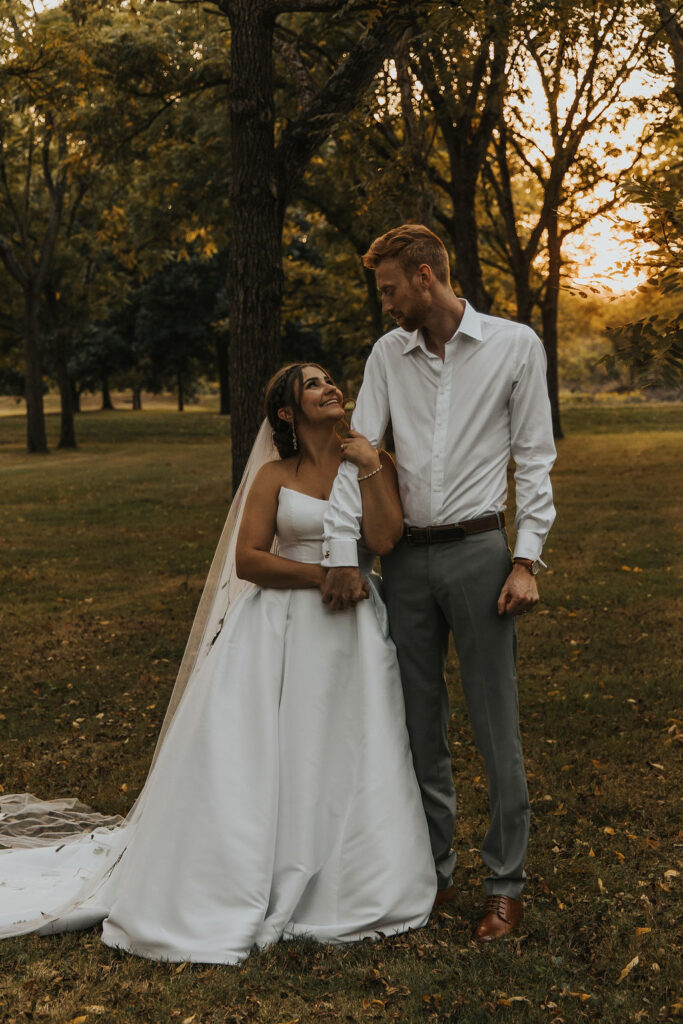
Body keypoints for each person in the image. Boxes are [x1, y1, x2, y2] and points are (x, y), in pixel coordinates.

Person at [0, 363, 436, 963]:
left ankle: (354, 879)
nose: (331, 388)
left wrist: (367, 466)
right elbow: (251, 560)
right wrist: (325, 575)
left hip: (353, 633)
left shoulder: (368, 460)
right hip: (278, 629)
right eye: (313, 384)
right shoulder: (272, 475)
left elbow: (385, 540)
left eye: (331, 380)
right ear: (286, 412)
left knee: (352, 742)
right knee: (267, 749)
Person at [321, 224, 557, 942]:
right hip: (404, 564)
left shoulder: (515, 345)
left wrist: (526, 558)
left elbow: (534, 458)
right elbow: (355, 454)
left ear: (425, 277)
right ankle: (433, 872)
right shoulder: (386, 354)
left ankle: (504, 887)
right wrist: (343, 551)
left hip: (481, 554)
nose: (385, 303)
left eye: (390, 288)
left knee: (494, 728)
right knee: (418, 728)